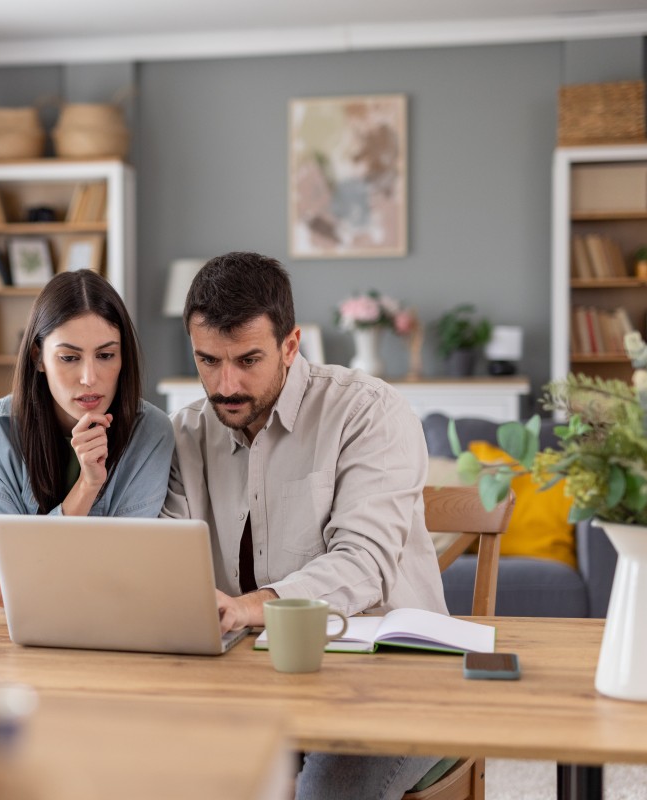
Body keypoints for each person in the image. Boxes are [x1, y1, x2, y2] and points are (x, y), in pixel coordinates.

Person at [163, 251, 446, 800]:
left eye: (248, 360)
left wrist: (248, 607)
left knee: (325, 792)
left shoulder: (369, 412)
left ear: (290, 346)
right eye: (208, 361)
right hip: (248, 682)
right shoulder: (184, 435)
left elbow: (363, 563)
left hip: (393, 680)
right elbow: (167, 561)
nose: (226, 386)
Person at [0, 269, 174, 610]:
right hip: (12, 637)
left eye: (105, 355)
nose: (90, 378)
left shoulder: (152, 433)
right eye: (69, 357)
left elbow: (124, 577)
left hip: (111, 632)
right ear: (37, 358)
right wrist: (87, 487)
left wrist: (10, 589)